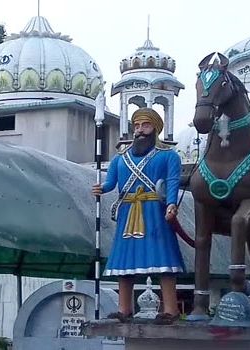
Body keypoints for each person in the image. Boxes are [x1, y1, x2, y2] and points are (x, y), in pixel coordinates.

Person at [92, 108, 185, 324]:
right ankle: (124, 308)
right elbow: (111, 183)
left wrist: (171, 204)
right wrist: (101, 188)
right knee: (125, 261)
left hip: (154, 212)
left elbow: (172, 182)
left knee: (163, 259)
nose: (140, 130)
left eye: (145, 125)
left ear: (155, 128)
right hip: (128, 213)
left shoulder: (168, 156)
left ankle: (170, 309)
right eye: (136, 126)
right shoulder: (120, 159)